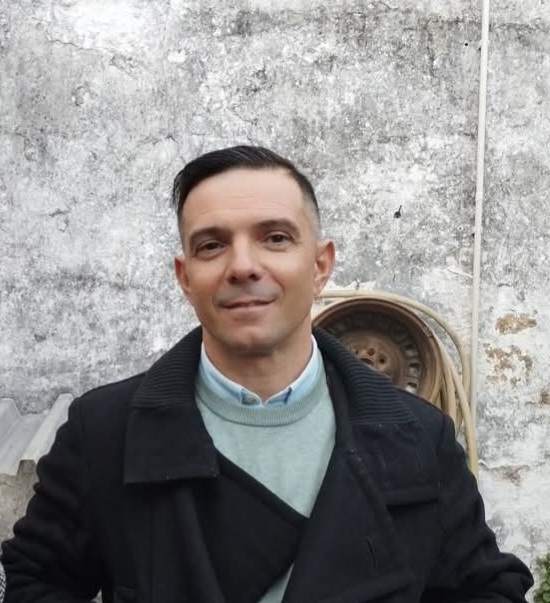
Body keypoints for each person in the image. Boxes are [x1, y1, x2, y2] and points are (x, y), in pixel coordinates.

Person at [1, 146, 533, 602]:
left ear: (320, 265)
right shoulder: (103, 431)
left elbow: (485, 587)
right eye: (212, 245)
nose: (242, 266)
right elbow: (36, 580)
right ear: (185, 276)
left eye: (275, 238)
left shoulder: (417, 436)